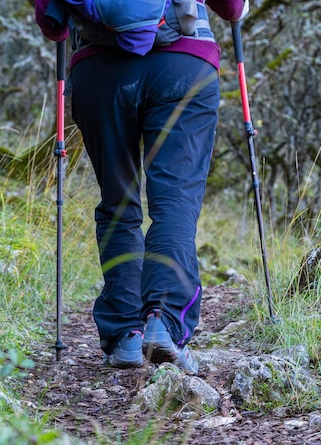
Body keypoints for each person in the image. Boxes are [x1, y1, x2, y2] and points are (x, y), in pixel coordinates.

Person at [35, 0, 249, 374]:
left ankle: (126, 336)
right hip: (185, 65)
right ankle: (163, 323)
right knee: (175, 202)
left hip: (100, 73)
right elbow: (233, 9)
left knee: (118, 202)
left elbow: (52, 26)